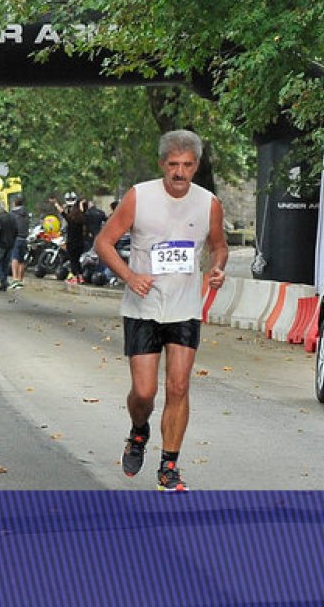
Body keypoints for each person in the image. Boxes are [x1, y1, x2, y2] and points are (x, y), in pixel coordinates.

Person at [94, 129, 228, 492]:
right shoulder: (139, 196)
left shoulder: (209, 203)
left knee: (179, 386)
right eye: (173, 165)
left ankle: (169, 465)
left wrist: (217, 268)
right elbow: (103, 242)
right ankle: (139, 431)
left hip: (185, 307)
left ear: (196, 166)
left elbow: (219, 246)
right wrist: (129, 276)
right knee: (144, 392)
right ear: (161, 164)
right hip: (143, 307)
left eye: (187, 165)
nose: (179, 172)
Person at [51, 191, 90, 284]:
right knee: (77, 261)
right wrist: (80, 204)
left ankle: (74, 278)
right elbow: (82, 211)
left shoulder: (70, 220)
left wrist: (56, 203)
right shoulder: (82, 220)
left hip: (71, 243)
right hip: (80, 243)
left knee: (73, 261)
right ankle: (81, 277)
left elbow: (62, 212)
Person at [7, 195, 29, 290]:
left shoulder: (12, 214)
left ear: (14, 203)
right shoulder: (25, 213)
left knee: (14, 258)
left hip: (15, 238)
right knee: (21, 260)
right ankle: (20, 280)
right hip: (24, 238)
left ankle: (15, 279)